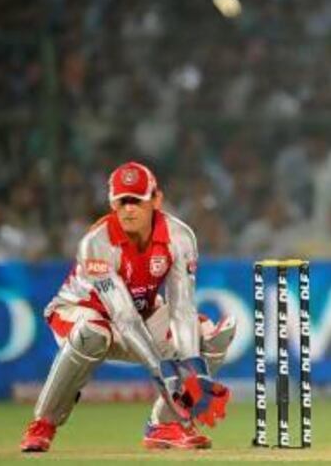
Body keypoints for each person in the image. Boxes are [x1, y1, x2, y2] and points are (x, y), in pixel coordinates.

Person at [19, 161, 236, 452]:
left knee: (206, 333)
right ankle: (42, 425)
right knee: (94, 333)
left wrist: (195, 371)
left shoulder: (180, 237)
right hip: (78, 312)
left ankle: (166, 425)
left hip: (139, 315)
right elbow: (123, 317)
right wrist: (164, 374)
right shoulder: (96, 243)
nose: (129, 209)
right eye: (122, 201)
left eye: (137, 200)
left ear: (155, 200)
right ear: (112, 203)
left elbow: (181, 308)